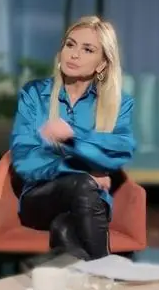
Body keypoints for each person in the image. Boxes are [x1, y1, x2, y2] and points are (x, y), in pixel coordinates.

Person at [9, 15, 137, 261]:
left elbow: (119, 152)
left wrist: (73, 137)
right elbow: (25, 160)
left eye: (88, 49)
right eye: (70, 44)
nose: (74, 54)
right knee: (84, 184)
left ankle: (77, 275)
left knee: (65, 229)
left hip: (90, 202)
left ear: (102, 64)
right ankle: (105, 271)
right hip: (39, 200)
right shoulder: (34, 94)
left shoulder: (119, 103)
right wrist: (83, 171)